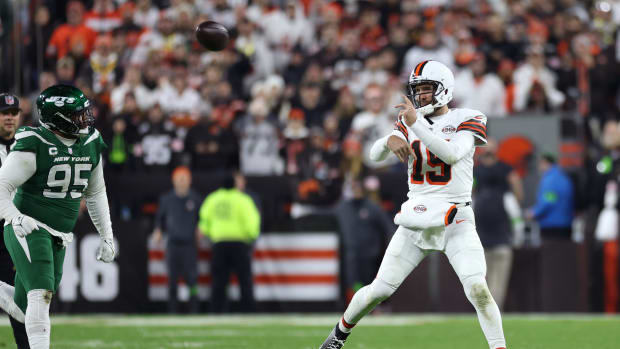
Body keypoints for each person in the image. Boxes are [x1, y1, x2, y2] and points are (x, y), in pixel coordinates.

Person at [320, 60, 507, 349]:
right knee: (378, 291)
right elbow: (372, 156)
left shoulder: (467, 117)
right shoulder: (409, 122)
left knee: (478, 289)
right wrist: (390, 139)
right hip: (415, 219)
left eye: (426, 89)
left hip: (455, 218)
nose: (420, 96)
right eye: (416, 90)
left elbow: (452, 154)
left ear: (444, 89)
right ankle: (336, 337)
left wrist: (412, 125)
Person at [0, 85, 115, 349]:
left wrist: (107, 236)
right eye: (78, 115)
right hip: (29, 226)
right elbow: (1, 188)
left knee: (23, 307)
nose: (85, 119)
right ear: (59, 117)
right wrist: (15, 218)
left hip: (59, 234)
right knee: (41, 296)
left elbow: (96, 193)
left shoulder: (90, 142)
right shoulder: (35, 143)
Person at [473, 138, 524, 310]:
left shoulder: (482, 173)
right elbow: (516, 184)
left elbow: (515, 185)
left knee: (487, 279)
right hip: (493, 236)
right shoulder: (482, 172)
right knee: (492, 280)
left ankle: (488, 310)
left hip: (492, 236)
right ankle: (491, 310)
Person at [199, 174, 260, 313]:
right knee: (244, 281)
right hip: (239, 243)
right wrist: (251, 237)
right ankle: (249, 311)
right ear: (234, 184)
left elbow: (203, 221)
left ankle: (216, 311)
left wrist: (210, 234)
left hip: (219, 243)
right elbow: (252, 220)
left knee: (219, 282)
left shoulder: (212, 199)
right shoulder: (243, 199)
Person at [0, 93, 29, 348]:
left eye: (13, 113)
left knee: (18, 301)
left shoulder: (26, 145)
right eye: (5, 113)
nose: (10, 118)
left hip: (13, 232)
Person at [152, 166, 202, 313]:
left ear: (189, 180)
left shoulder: (196, 199)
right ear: (173, 181)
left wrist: (201, 229)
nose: (181, 182)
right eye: (179, 179)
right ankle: (172, 312)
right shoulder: (166, 199)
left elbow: (203, 218)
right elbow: (159, 219)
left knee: (192, 281)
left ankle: (195, 311)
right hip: (173, 244)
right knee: (172, 281)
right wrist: (158, 230)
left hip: (189, 245)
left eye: (184, 178)